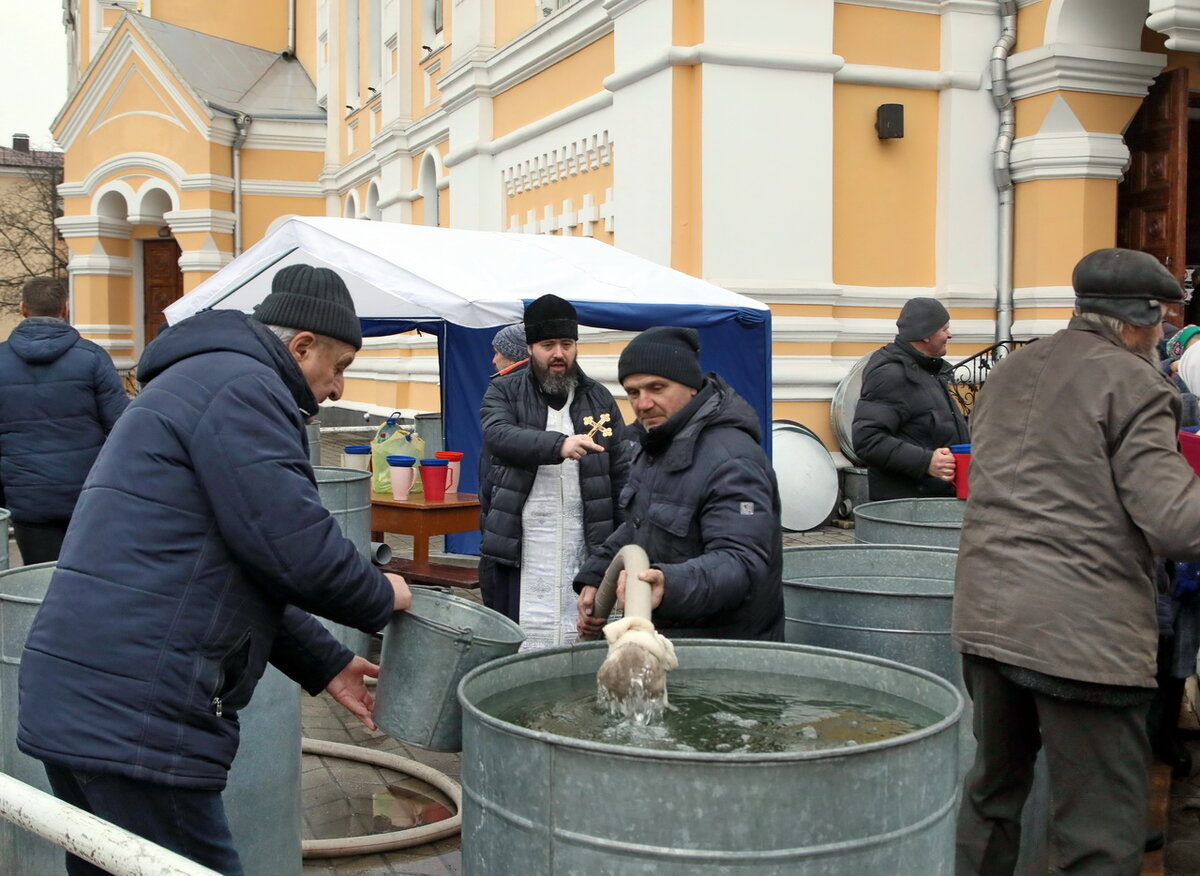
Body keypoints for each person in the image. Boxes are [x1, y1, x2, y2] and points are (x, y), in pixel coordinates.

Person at [17, 264, 412, 875]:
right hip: (137, 714)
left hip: (84, 698)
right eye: (338, 368)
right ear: (301, 347)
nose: (336, 389)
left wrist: (327, 661)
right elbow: (294, 548)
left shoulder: (201, 380)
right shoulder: (246, 388)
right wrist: (383, 594)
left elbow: (238, 564)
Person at [952, 248, 1200, 875]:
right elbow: (1175, 522)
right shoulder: (1135, 381)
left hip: (987, 621)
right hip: (1082, 638)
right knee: (1099, 834)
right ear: (1143, 321)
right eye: (1164, 321)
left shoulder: (1012, 367)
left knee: (992, 797)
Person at [573, 326, 784, 641]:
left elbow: (742, 563)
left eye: (657, 388)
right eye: (633, 392)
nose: (643, 404)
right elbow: (639, 526)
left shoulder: (732, 460)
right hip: (672, 640)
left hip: (726, 656)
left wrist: (668, 584)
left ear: (692, 388)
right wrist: (597, 575)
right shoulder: (655, 446)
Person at [479, 294, 629, 649]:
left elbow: (622, 471)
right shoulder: (504, 391)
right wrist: (558, 445)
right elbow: (497, 434)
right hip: (523, 544)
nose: (558, 353)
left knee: (584, 640)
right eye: (548, 345)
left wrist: (623, 540)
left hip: (585, 541)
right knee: (519, 644)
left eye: (567, 344)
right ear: (531, 348)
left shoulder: (599, 399)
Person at [0, 276, 128, 564]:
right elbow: (122, 427)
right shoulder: (92, 358)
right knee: (87, 582)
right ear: (65, 309)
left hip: (26, 497)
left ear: (23, 309)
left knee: (38, 584)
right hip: (86, 494)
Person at [853, 297, 968, 501]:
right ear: (925, 335)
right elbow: (867, 441)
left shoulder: (931, 371)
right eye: (944, 329)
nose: (949, 335)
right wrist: (926, 462)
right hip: (906, 510)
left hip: (935, 501)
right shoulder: (891, 374)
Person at [479, 323, 529, 609]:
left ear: (513, 355)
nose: (493, 359)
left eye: (497, 352)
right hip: (502, 515)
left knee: (500, 604)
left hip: (504, 520)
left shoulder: (508, 390)